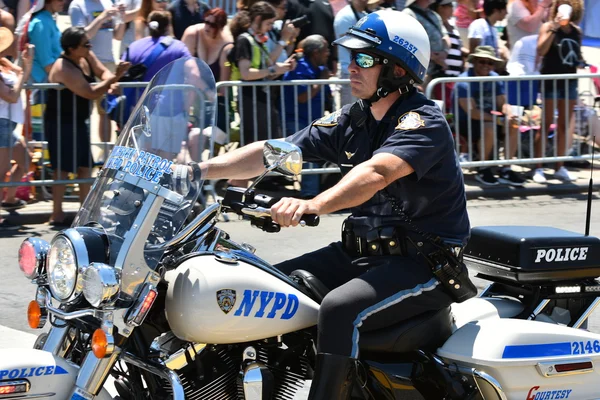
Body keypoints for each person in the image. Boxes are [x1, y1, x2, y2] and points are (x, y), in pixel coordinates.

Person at [198, 10, 470, 399]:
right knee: (261, 290)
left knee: (340, 309)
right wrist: (196, 169)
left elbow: (377, 173)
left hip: (423, 262)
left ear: (396, 69)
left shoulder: (422, 121)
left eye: (363, 59)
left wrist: (311, 205)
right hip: (358, 253)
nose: (350, 68)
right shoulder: (353, 119)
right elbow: (276, 151)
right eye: (349, 57)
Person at [44, 26, 130, 226]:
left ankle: (85, 212)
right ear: (72, 48)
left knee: (85, 166)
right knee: (62, 169)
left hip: (78, 120)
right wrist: (115, 79)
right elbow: (89, 92)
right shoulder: (63, 67)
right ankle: (56, 213)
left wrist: (111, 80)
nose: (90, 46)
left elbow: (103, 72)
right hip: (60, 122)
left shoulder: (85, 55)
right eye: (85, 44)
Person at [124, 11, 193, 158]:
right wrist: (188, 107)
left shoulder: (134, 46)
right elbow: (194, 75)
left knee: (141, 158)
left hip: (138, 110)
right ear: (169, 26)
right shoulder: (179, 48)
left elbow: (121, 74)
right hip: (169, 110)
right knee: (164, 159)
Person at [455, 45, 525, 186]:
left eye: (490, 62)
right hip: (465, 122)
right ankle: (483, 168)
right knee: (490, 126)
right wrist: (498, 119)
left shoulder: (495, 78)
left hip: (489, 118)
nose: (486, 65)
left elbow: (503, 103)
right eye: (482, 61)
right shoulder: (463, 81)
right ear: (474, 62)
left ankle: (506, 169)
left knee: (514, 124)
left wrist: (510, 115)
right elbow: (472, 112)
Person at [230, 1, 296, 146]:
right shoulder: (244, 40)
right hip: (250, 100)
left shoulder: (258, 40)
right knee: (255, 143)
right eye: (269, 23)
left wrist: (283, 68)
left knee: (270, 141)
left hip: (262, 97)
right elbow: (246, 73)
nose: (270, 28)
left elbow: (266, 69)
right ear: (258, 19)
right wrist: (273, 69)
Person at [534, 0, 584, 183]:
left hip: (569, 81)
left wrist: (581, 62)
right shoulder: (548, 26)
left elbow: (576, 56)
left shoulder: (576, 31)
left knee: (564, 125)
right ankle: (538, 167)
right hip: (550, 80)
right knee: (545, 123)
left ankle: (559, 166)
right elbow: (541, 50)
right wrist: (554, 27)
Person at [282, 34, 332, 198]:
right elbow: (301, 97)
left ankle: (312, 191)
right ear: (316, 52)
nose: (328, 54)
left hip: (313, 120)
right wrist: (320, 80)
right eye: (325, 50)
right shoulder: (300, 68)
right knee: (310, 153)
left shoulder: (320, 69)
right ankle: (309, 194)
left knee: (316, 153)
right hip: (296, 119)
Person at [0, 30, 33, 229]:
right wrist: (25, 71)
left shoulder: (4, 62)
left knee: (25, 161)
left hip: (8, 123)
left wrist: (25, 63)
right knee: (1, 171)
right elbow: (11, 96)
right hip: (2, 122)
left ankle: (10, 199)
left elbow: (20, 75)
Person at [403, 0, 450, 88]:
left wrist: (445, 52)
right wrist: (431, 56)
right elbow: (407, 41)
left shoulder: (434, 15)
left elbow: (445, 36)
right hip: (419, 71)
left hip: (437, 69)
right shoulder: (408, 14)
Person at [181, 7, 232, 81]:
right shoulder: (192, 34)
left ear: (221, 28)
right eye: (206, 22)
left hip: (214, 89)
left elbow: (225, 77)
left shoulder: (226, 44)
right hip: (189, 87)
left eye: (213, 25)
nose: (207, 27)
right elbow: (184, 67)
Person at [334, 0, 368, 107]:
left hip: (364, 71)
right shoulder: (345, 16)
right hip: (349, 72)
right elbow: (348, 44)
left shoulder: (364, 14)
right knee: (351, 113)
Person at [24, 0, 63, 84]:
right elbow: (47, 63)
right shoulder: (40, 23)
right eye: (60, 0)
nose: (64, 2)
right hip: (43, 85)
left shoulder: (47, 19)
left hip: (51, 82)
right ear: (48, 1)